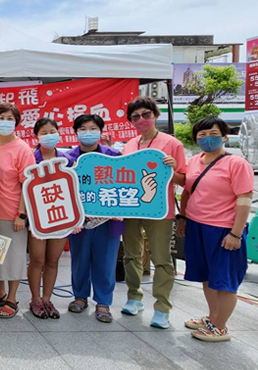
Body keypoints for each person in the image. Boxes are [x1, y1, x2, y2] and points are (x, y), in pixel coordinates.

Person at [176, 117, 253, 342]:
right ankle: (212, 317)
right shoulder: (194, 161)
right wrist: (183, 218)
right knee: (207, 276)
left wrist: (235, 233)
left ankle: (220, 327)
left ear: (225, 136)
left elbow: (245, 198)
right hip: (198, 226)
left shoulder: (236, 164)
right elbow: (188, 190)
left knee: (225, 280)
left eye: (213, 133)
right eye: (201, 135)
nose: (207, 138)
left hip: (223, 230)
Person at [120, 96, 186, 329]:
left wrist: (172, 168)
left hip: (160, 210)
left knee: (161, 259)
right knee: (131, 254)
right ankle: (134, 297)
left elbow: (183, 180)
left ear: (155, 115)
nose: (141, 119)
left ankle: (162, 308)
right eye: (135, 116)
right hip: (131, 207)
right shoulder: (129, 145)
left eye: (146, 114)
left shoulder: (171, 144)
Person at [64, 114, 125, 323]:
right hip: (79, 222)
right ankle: (79, 297)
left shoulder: (115, 156)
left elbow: (126, 185)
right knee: (79, 260)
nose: (87, 132)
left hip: (108, 222)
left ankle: (103, 302)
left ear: (100, 131)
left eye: (92, 128)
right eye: (82, 128)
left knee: (106, 261)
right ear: (76, 132)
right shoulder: (67, 159)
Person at [0, 103, 34, 319]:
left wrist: (21, 214)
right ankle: (0, 292)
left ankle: (12, 298)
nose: (5, 121)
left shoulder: (23, 149)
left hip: (13, 211)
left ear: (16, 122)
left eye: (9, 118)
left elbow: (27, 184)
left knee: (13, 257)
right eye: (1, 117)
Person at [27, 118, 74, 320]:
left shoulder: (67, 161)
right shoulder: (30, 159)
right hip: (37, 219)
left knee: (53, 261)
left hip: (61, 218)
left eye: (52, 131)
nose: (48, 135)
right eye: (44, 132)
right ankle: (35, 299)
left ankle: (47, 299)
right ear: (36, 136)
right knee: (37, 259)